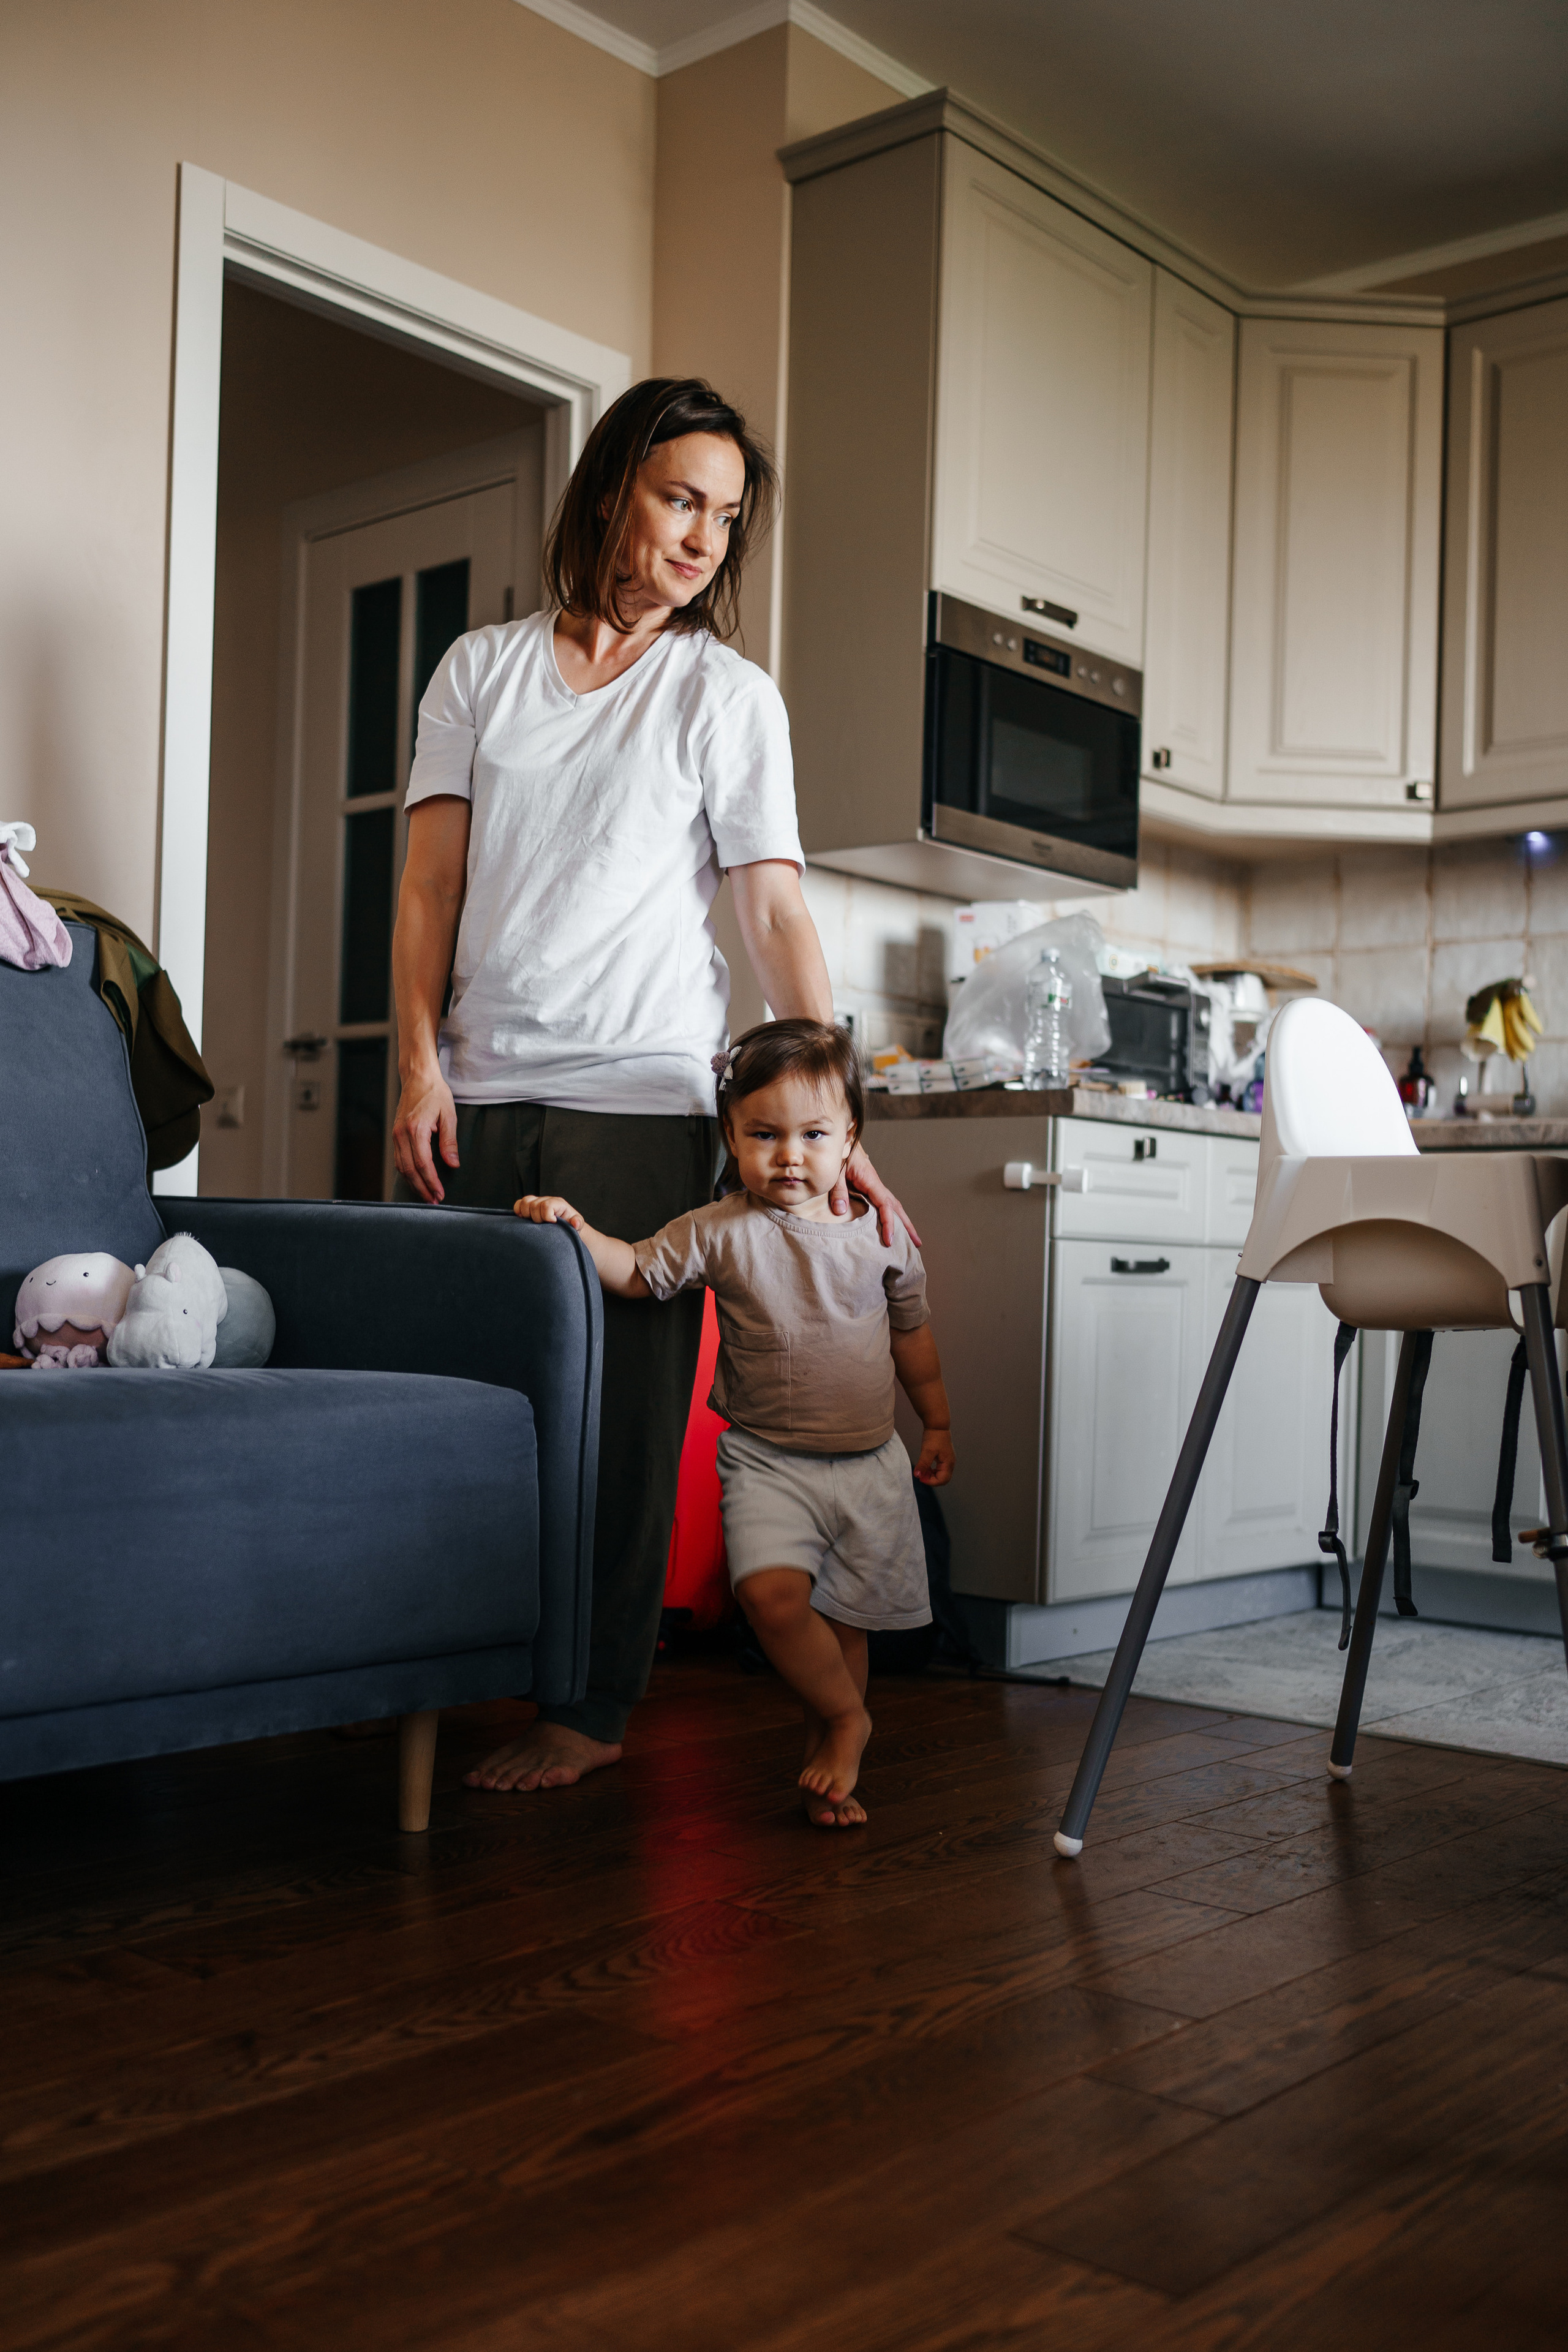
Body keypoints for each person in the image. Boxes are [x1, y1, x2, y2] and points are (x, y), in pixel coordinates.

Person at [389, 377, 917, 1796]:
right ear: (613, 483)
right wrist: (418, 1065)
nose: (700, 538)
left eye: (725, 518)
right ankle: (447, 1665)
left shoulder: (724, 696)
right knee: (461, 1403)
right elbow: (428, 886)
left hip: (642, 1104)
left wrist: (838, 1117)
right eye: (681, 498)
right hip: (478, 1094)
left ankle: (588, 1703)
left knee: (619, 1429)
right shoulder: (479, 671)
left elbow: (773, 913)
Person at [514, 1019, 955, 1827]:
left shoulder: (881, 1236)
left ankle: (834, 1765)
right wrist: (577, 1229)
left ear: (850, 1141)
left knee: (847, 1622)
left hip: (869, 1462)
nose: (788, 1156)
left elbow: (913, 1337)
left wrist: (938, 1424)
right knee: (770, 1596)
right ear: (731, 1136)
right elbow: (637, 1271)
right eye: (763, 1135)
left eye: (812, 1135)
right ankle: (849, 1721)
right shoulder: (721, 1229)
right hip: (766, 1460)